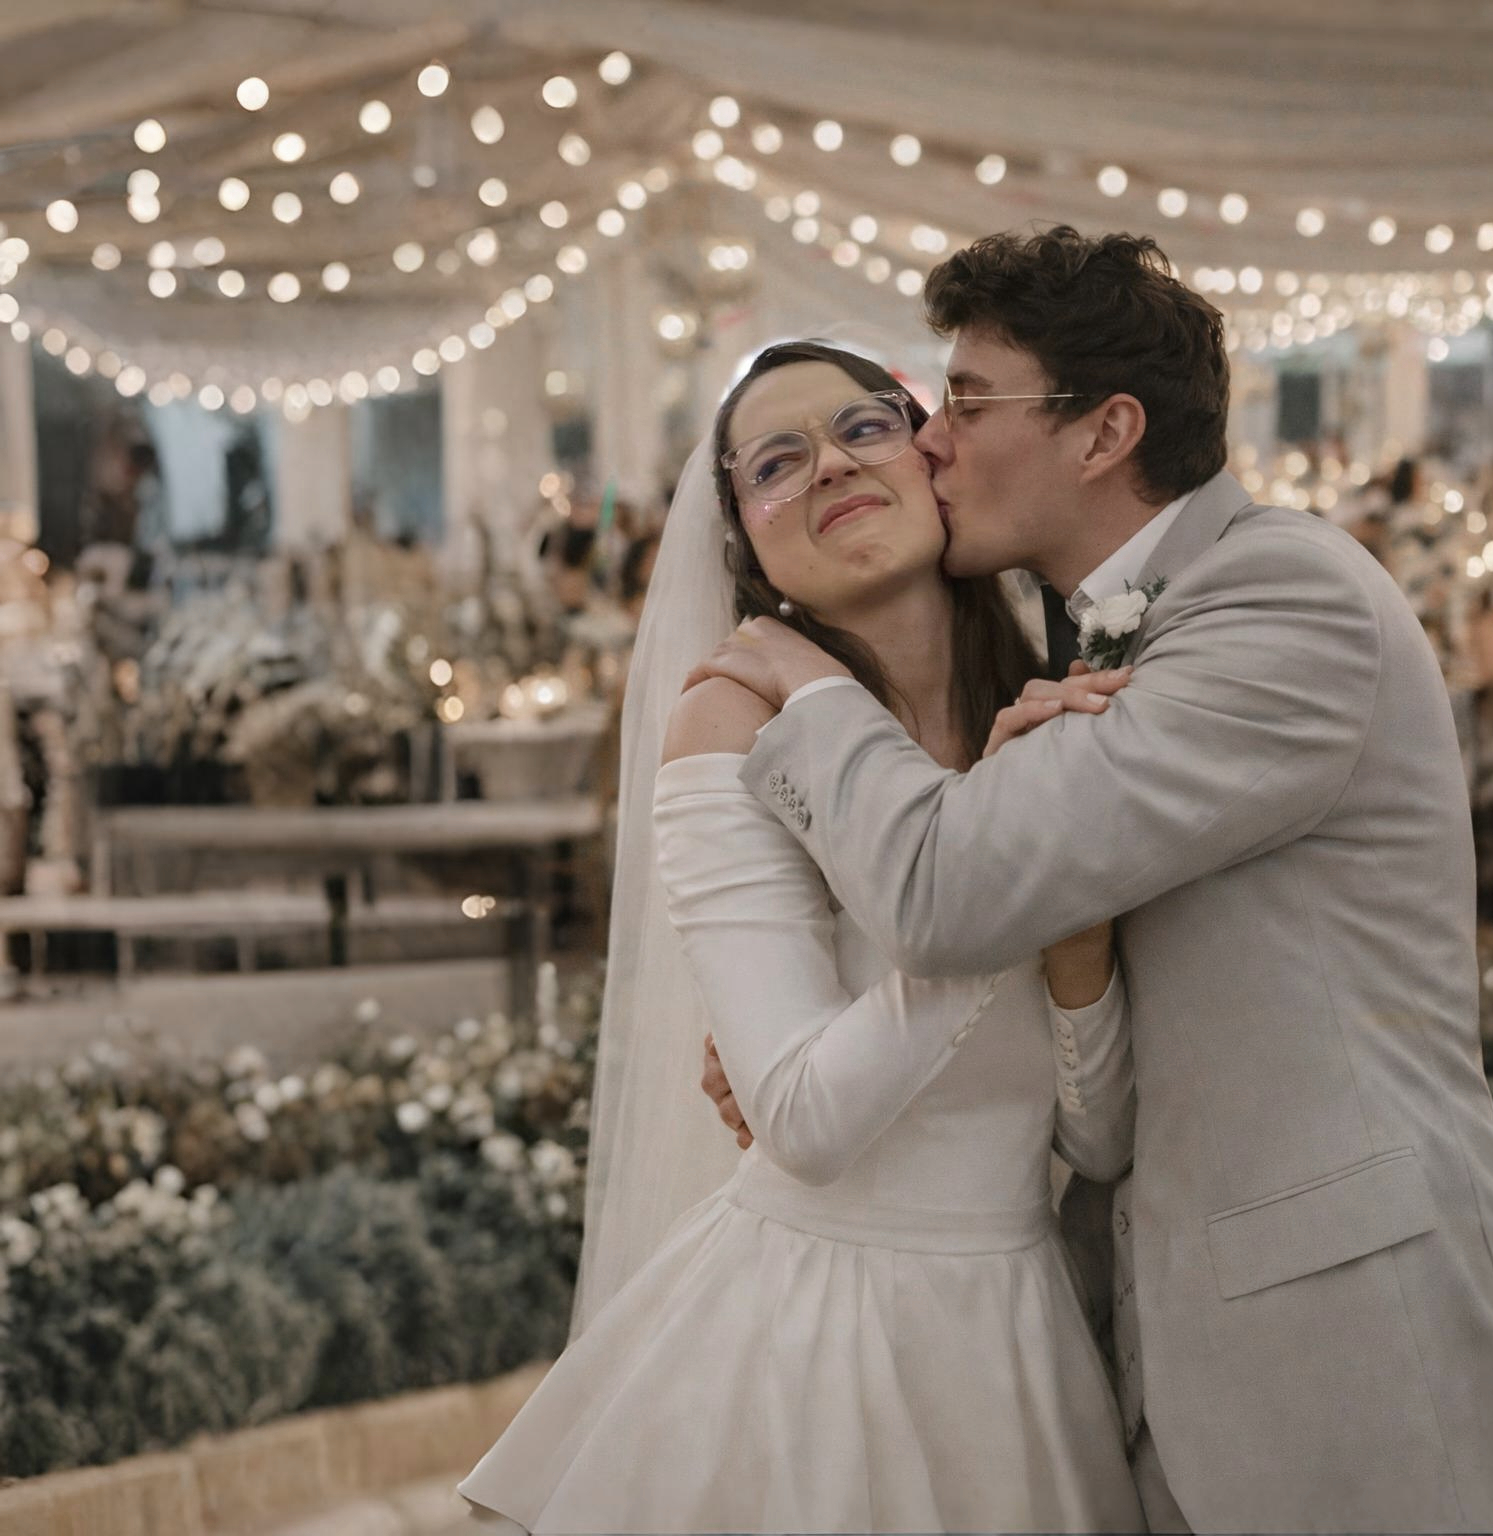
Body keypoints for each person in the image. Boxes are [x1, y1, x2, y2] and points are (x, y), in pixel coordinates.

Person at [690, 228, 1493, 1534]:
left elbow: (954, 890)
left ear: (1104, 431)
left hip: (1360, 1348)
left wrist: (805, 678)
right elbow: (1077, 1020)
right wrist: (807, 1012)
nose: (928, 441)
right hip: (1160, 1360)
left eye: (963, 400)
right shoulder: (1087, 646)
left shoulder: (1281, 601)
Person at [456, 341, 1147, 1533]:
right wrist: (1001, 866)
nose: (829, 465)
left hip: (1017, 1330)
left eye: (863, 428)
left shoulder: (1045, 705)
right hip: (822, 1335)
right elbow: (804, 1120)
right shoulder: (731, 721)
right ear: (745, 536)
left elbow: (1096, 1132)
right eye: (777, 462)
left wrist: (1075, 947)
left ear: (928, 454)